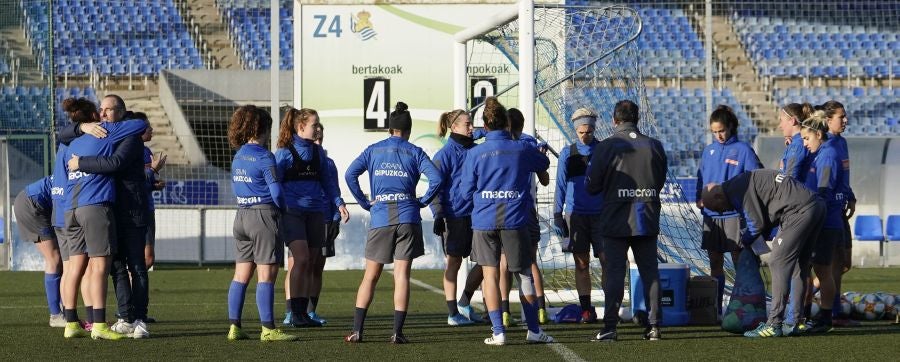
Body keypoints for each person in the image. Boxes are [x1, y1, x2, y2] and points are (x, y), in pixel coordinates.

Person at [455, 97, 554, 346]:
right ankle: (533, 330)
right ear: (507, 124)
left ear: (485, 126)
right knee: (524, 275)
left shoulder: (475, 153)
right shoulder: (521, 148)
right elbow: (544, 163)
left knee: (490, 275)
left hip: (484, 220)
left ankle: (498, 332)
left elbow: (465, 193)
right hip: (515, 219)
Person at [344, 101, 443, 344]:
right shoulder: (415, 152)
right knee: (402, 276)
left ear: (389, 130)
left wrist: (365, 202)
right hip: (408, 216)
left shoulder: (373, 150)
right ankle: (397, 333)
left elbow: (349, 174)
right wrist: (422, 201)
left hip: (380, 217)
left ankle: (357, 331)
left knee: (371, 276)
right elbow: (437, 179)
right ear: (408, 131)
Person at [59, 95, 153, 338]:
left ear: (120, 112)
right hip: (102, 209)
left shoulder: (117, 136)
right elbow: (63, 134)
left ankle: (139, 318)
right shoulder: (95, 134)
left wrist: (81, 161)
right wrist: (83, 127)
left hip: (123, 210)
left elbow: (116, 162)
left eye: (107, 110)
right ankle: (119, 319)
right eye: (99, 110)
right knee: (113, 268)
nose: (102, 115)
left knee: (135, 267)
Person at [701, 169, 825, 338]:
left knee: (777, 261)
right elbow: (764, 219)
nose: (722, 212)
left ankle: (774, 323)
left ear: (718, 196)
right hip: (815, 206)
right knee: (799, 266)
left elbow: (756, 224)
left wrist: (745, 242)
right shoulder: (740, 182)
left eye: (718, 208)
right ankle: (795, 321)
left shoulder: (736, 191)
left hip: (798, 212)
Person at [586, 100, 667, 342]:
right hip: (647, 216)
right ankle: (654, 327)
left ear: (615, 120)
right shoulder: (654, 145)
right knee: (650, 272)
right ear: (637, 118)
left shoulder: (607, 146)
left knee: (614, 273)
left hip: (616, 218)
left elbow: (591, 186)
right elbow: (659, 181)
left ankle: (610, 327)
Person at [225, 105, 298, 342]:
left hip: (242, 215)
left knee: (240, 275)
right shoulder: (265, 157)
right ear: (262, 128)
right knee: (266, 275)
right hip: (263, 217)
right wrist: (284, 207)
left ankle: (234, 327)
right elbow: (276, 191)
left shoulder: (238, 155)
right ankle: (268, 329)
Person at [275, 107, 349, 328]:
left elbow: (328, 183)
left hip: (316, 214)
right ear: (300, 127)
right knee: (301, 259)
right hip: (293, 214)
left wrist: (339, 203)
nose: (318, 128)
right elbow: (274, 184)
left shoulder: (319, 154)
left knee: (311, 264)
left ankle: (304, 313)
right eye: (315, 125)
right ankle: (294, 312)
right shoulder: (284, 153)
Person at [695, 105, 762, 317]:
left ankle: (741, 307)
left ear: (731, 126)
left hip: (734, 215)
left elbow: (757, 178)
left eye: (721, 130)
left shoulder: (743, 150)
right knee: (715, 260)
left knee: (738, 261)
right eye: (714, 132)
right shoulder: (708, 151)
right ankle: (716, 308)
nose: (718, 135)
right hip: (712, 217)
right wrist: (700, 197)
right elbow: (701, 178)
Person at [430, 109, 484, 326]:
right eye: (467, 124)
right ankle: (453, 313)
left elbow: (485, 133)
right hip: (454, 217)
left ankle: (465, 302)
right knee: (454, 263)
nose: (472, 128)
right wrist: (438, 215)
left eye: (472, 124)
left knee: (487, 261)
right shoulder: (443, 155)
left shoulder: (478, 150)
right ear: (454, 127)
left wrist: (482, 132)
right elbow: (436, 187)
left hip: (479, 214)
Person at [553, 107, 605, 323]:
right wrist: (557, 213)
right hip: (576, 216)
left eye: (589, 132)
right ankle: (586, 310)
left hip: (602, 216)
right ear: (576, 131)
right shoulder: (568, 153)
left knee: (608, 262)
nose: (585, 136)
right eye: (582, 132)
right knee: (581, 264)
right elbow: (560, 185)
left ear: (594, 129)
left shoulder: (603, 151)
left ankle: (611, 306)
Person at [797, 111, 842, 333]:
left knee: (823, 271)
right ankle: (812, 316)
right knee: (815, 269)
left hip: (825, 222)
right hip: (821, 219)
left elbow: (824, 191)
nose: (804, 143)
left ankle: (826, 318)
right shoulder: (821, 153)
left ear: (817, 134)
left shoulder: (827, 155)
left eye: (806, 138)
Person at [819, 100, 857, 327]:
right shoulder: (824, 145)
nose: (845, 120)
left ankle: (829, 307)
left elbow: (843, 176)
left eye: (845, 116)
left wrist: (850, 195)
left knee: (843, 263)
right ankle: (830, 311)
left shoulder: (841, 143)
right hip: (829, 211)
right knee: (831, 264)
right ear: (827, 119)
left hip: (841, 208)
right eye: (840, 116)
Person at [305, 122, 345, 324]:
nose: (318, 141)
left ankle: (311, 311)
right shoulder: (299, 160)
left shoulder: (328, 164)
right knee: (302, 265)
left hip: (326, 220)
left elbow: (334, 191)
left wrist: (336, 218)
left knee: (317, 267)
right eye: (315, 137)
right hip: (304, 218)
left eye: (320, 138)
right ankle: (293, 311)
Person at [13, 176, 63, 327]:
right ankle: (56, 315)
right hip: (31, 204)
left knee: (57, 258)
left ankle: (61, 311)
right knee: (54, 259)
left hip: (29, 200)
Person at [778, 103, 814, 180]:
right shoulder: (795, 143)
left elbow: (789, 179)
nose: (780, 126)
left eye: (781, 120)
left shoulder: (797, 145)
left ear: (792, 121)